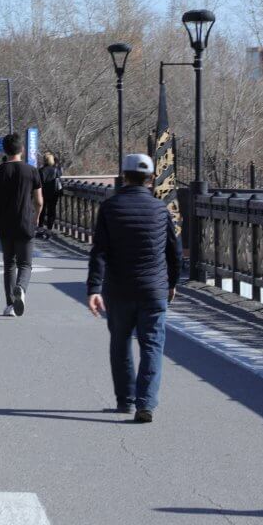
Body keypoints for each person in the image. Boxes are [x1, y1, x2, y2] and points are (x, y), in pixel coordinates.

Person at [86, 154, 182, 423]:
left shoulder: (110, 207)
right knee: (152, 344)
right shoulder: (160, 210)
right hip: (153, 289)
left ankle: (125, 400)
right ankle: (146, 404)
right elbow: (174, 253)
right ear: (151, 178)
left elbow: (100, 252)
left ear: (123, 176)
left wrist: (94, 287)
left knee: (120, 343)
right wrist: (172, 283)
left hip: (118, 289)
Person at [0, 133, 43, 317]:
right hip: (25, 222)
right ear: (22, 149)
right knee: (25, 264)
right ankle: (21, 288)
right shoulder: (31, 171)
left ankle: (11, 304)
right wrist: (36, 218)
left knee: (9, 265)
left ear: (5, 150)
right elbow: (39, 201)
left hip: (5, 224)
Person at [38, 152, 62, 238]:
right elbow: (59, 178)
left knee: (42, 211)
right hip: (53, 193)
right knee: (51, 211)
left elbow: (38, 183)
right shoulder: (56, 170)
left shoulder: (40, 170)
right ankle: (49, 230)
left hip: (43, 193)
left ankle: (40, 229)